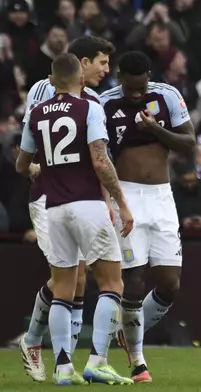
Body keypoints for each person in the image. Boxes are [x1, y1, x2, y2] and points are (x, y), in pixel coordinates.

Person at [15, 53, 133, 386]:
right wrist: (122, 202)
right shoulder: (89, 108)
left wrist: (42, 168)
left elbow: (22, 164)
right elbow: (100, 160)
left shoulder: (37, 113)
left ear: (52, 81)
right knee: (112, 283)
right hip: (87, 204)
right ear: (81, 78)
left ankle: (63, 367)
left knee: (63, 289)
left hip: (54, 209)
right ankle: (97, 360)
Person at [99, 50, 195, 383]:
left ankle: (128, 332)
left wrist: (156, 128)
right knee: (134, 279)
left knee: (170, 284)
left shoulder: (166, 96)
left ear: (149, 77)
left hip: (163, 197)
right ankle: (138, 360)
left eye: (142, 87)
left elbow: (188, 142)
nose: (137, 93)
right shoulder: (105, 103)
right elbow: (100, 156)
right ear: (119, 77)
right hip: (126, 195)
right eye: (131, 87)